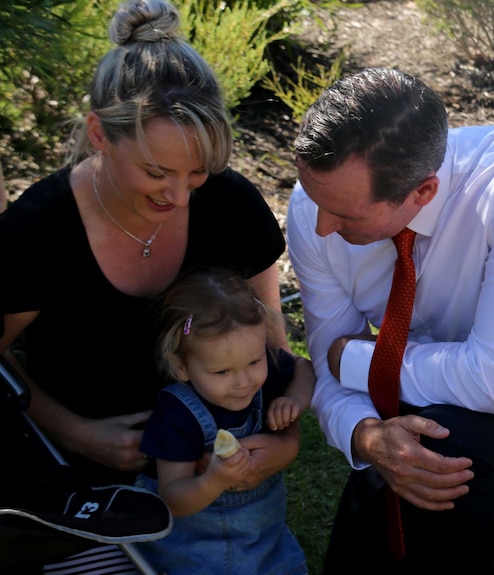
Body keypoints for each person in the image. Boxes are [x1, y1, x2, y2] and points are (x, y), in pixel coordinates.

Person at [0, 0, 300, 570]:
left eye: (196, 172)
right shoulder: (39, 228)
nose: (180, 197)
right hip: (89, 486)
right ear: (98, 135)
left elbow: (271, 333)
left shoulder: (231, 203)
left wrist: (282, 431)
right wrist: (78, 432)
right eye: (156, 173)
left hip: (219, 478)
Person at [286, 67, 494, 574]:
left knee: (441, 454)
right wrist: (366, 435)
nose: (323, 226)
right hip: (418, 388)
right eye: (316, 201)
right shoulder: (316, 205)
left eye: (347, 216)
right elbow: (330, 380)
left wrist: (355, 359)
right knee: (400, 459)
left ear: (423, 192)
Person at [135, 267, 313, 575]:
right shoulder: (178, 416)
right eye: (221, 373)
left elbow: (304, 368)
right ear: (181, 367)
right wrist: (212, 482)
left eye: (254, 362)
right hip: (194, 553)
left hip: (265, 541)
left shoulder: (264, 372)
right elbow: (172, 497)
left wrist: (294, 399)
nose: (244, 382)